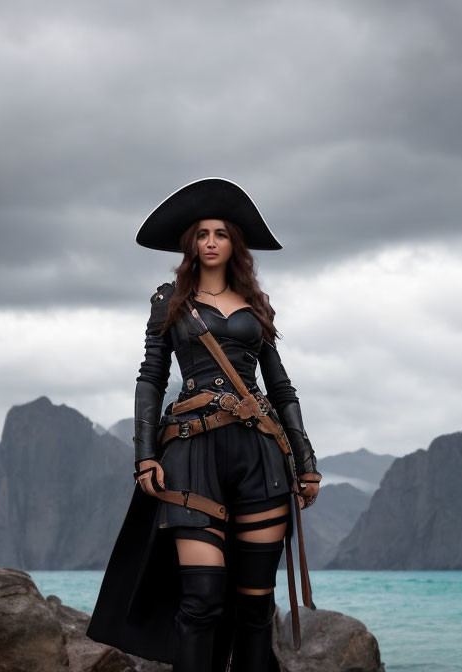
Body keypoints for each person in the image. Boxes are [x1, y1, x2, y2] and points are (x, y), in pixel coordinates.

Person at [86, 177, 322, 672]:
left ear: (235, 243)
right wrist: (144, 454)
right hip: (192, 458)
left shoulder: (258, 307)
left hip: (261, 460)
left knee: (256, 608)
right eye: (202, 233)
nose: (211, 241)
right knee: (201, 604)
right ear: (190, 243)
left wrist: (307, 464)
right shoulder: (169, 301)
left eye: (221, 233)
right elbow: (151, 378)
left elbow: (281, 389)